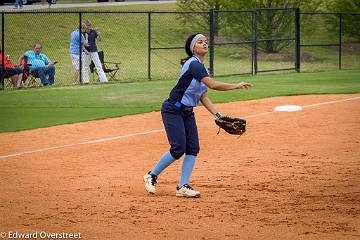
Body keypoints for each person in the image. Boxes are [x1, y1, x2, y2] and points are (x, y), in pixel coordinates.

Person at [143, 33, 252, 198]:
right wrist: (236, 86)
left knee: (193, 148)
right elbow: (213, 85)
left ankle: (182, 186)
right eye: (200, 42)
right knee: (178, 148)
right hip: (173, 109)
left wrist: (218, 115)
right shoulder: (193, 64)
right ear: (193, 47)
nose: (204, 44)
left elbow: (203, 96)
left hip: (187, 112)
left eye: (206, 42)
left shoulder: (202, 68)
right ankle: (151, 175)